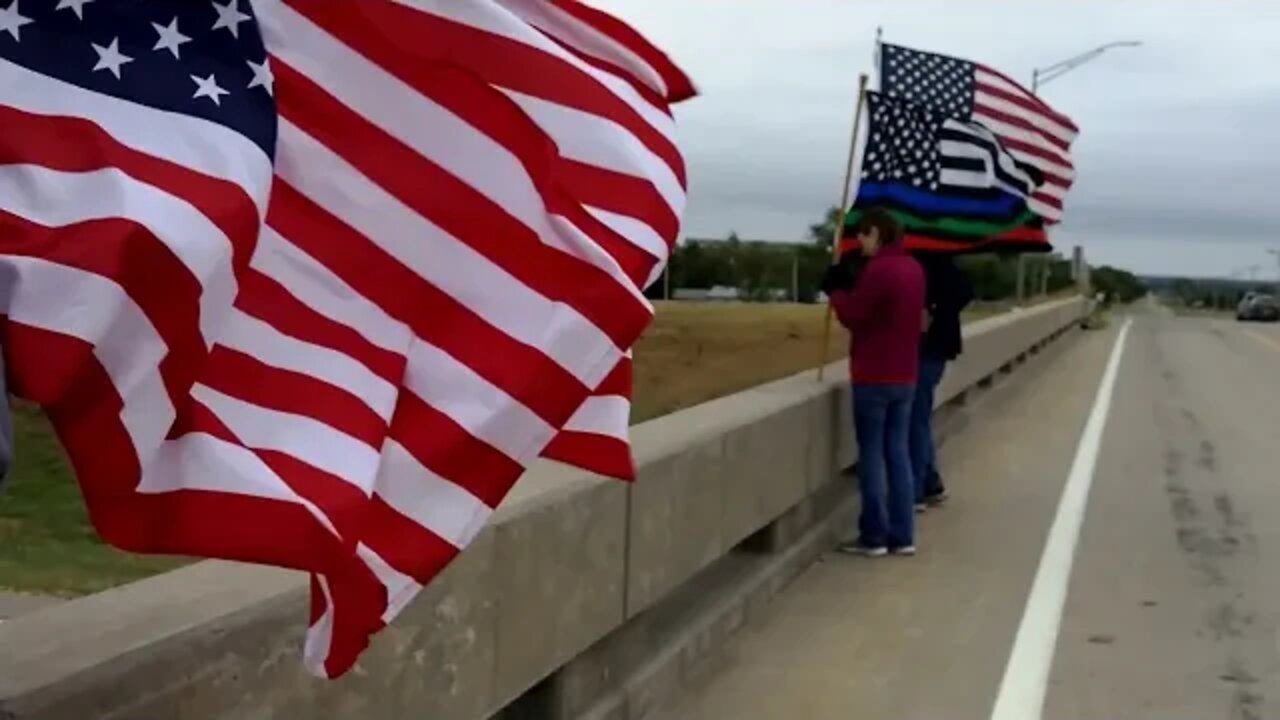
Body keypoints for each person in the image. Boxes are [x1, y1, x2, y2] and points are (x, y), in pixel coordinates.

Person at [824, 208, 925, 557]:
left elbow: (856, 315)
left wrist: (837, 293)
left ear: (877, 235)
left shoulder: (879, 270)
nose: (861, 243)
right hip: (906, 373)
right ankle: (903, 534)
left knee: (871, 456)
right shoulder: (914, 269)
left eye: (864, 236)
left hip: (873, 374)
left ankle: (874, 536)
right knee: (898, 454)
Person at [910, 254, 974, 510]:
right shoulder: (944, 263)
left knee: (915, 419)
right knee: (919, 418)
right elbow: (965, 292)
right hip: (938, 349)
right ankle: (930, 483)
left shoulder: (928, 264)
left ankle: (915, 490)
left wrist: (932, 307)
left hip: (928, 349)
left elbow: (963, 293)